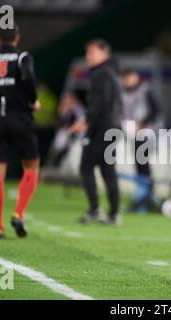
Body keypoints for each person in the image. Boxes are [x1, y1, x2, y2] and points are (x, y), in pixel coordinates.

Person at [0, 24, 41, 239]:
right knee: (31, 167)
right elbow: (29, 78)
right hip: (20, 117)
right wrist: (33, 101)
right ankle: (18, 213)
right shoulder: (23, 57)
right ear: (17, 38)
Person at [69, 39, 122, 226]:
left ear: (104, 54)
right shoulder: (112, 72)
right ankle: (114, 214)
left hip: (102, 127)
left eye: (91, 52)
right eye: (87, 53)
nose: (88, 56)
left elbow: (100, 102)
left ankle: (95, 210)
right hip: (113, 126)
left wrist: (85, 121)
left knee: (86, 167)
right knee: (108, 170)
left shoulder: (101, 73)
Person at [120, 68, 163, 212]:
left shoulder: (145, 90)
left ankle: (145, 200)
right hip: (135, 133)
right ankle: (144, 198)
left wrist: (142, 123)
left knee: (143, 165)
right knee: (140, 166)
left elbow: (155, 110)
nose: (127, 81)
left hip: (147, 132)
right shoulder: (125, 92)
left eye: (129, 78)